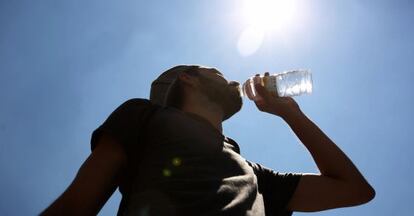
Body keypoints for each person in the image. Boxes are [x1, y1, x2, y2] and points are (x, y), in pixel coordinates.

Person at [41, 65, 375, 216]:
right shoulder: (145, 115)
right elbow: (76, 205)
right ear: (188, 79)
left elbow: (354, 190)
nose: (231, 78)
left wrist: (292, 114)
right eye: (215, 71)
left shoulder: (251, 173)